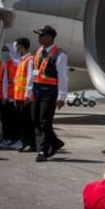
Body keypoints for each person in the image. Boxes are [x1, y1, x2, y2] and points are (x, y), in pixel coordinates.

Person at [28, 25, 68, 162]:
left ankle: (42, 150)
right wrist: (29, 90)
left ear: (49, 37)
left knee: (45, 121)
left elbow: (63, 76)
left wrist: (62, 96)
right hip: (37, 91)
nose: (39, 38)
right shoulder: (39, 51)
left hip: (50, 92)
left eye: (41, 35)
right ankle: (55, 142)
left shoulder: (60, 54)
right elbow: (34, 72)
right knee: (35, 120)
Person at [12, 38, 36, 152]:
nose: (16, 49)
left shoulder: (29, 60)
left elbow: (30, 78)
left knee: (27, 122)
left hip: (25, 97)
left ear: (22, 46)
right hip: (19, 97)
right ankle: (24, 142)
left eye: (17, 46)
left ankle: (31, 143)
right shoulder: (22, 60)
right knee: (21, 122)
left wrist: (27, 95)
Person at [0, 44, 19, 148]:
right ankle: (6, 139)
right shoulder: (0, 64)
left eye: (6, 50)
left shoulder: (14, 65)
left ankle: (12, 139)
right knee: (4, 120)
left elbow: (8, 83)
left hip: (10, 98)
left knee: (11, 120)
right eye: (3, 50)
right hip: (1, 97)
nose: (4, 52)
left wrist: (7, 97)